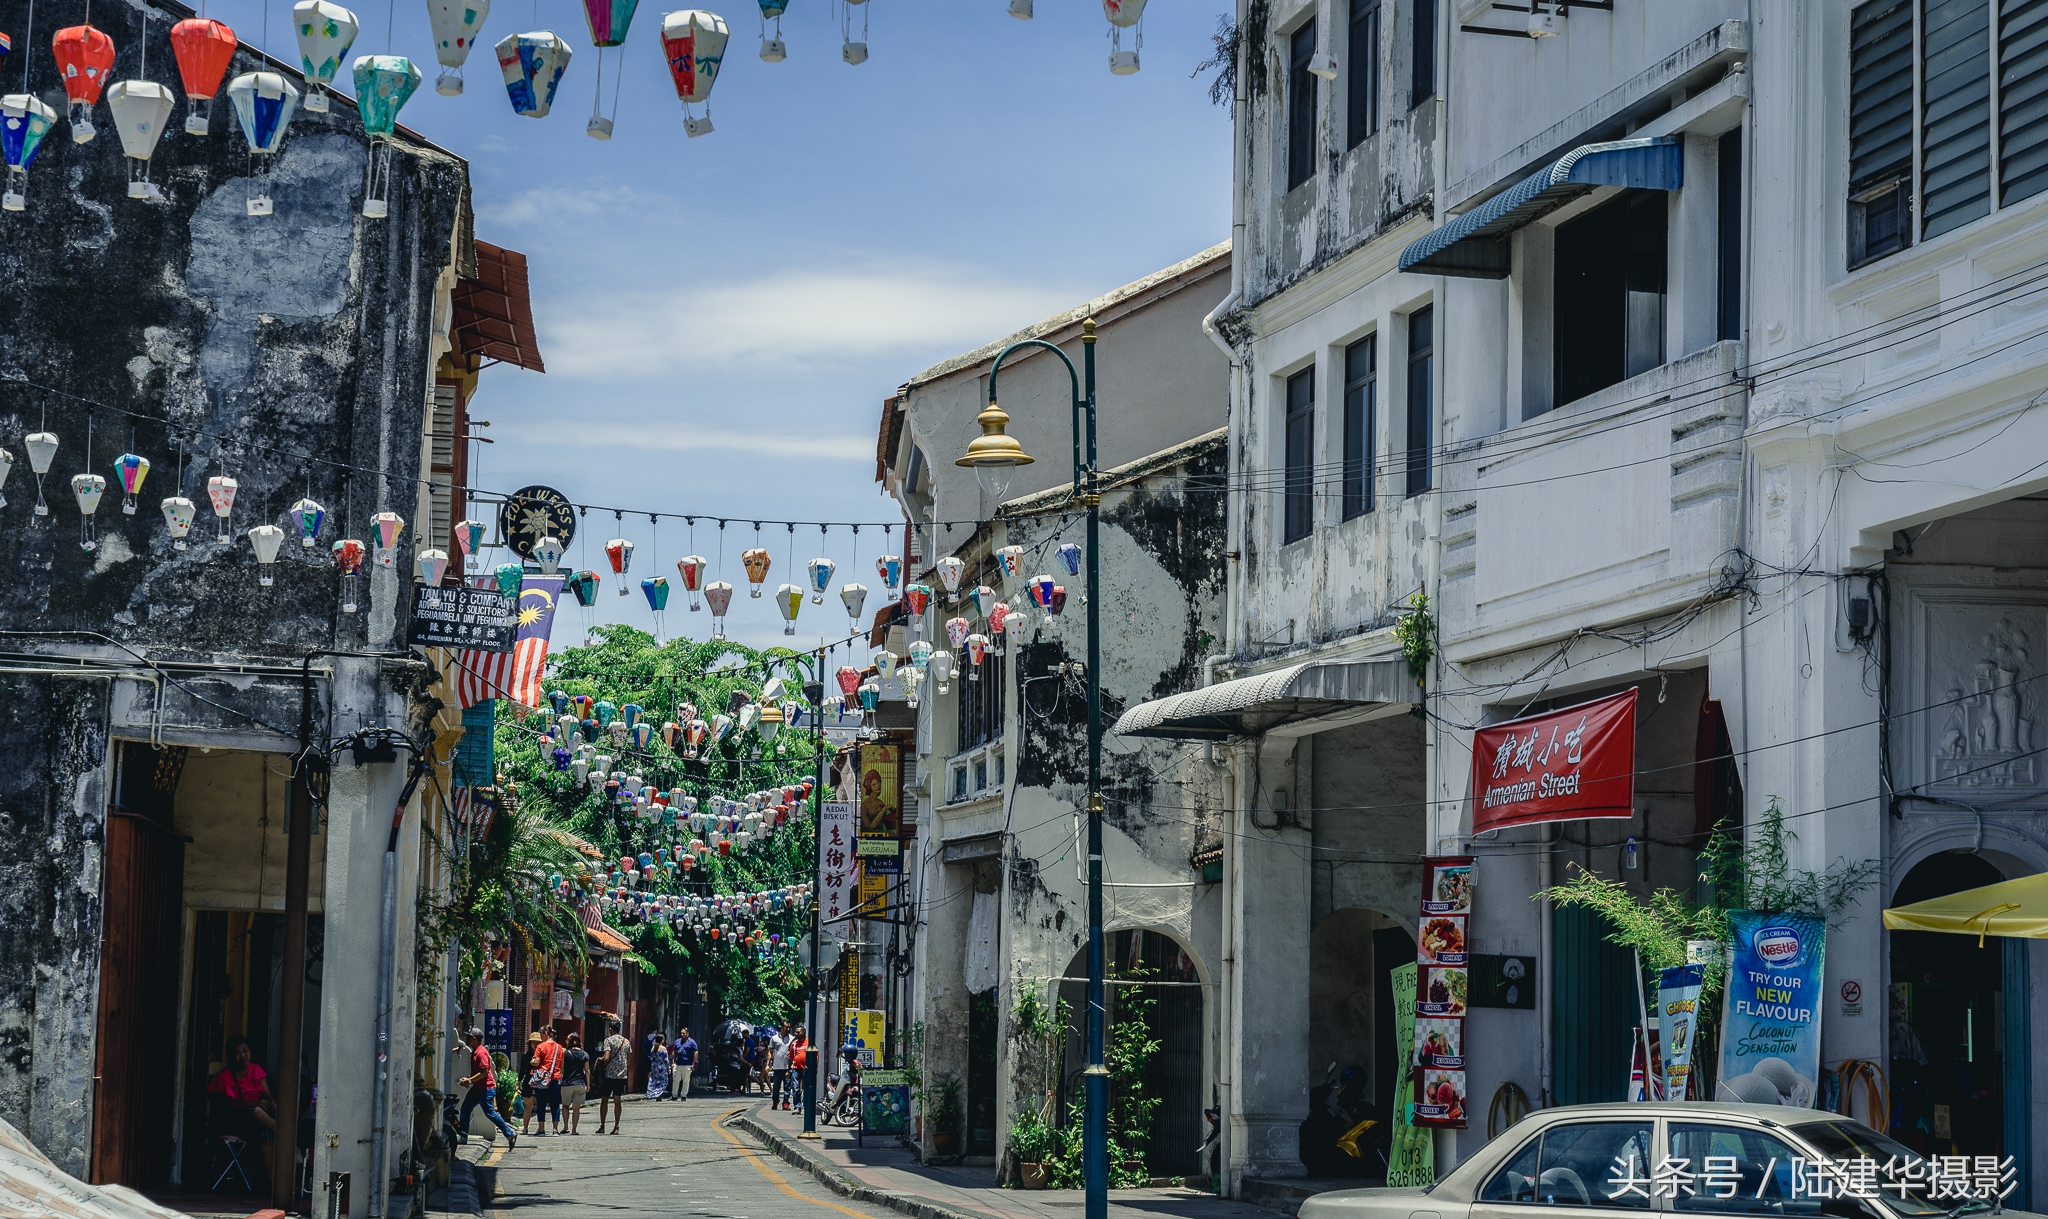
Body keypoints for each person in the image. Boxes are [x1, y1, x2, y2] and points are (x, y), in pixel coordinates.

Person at [210, 1035, 277, 1179]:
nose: (243, 1055)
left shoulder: (256, 1070)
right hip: (231, 1121)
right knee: (256, 1111)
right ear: (230, 1056)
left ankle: (273, 1185)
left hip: (254, 1123)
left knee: (267, 1137)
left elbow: (268, 1094)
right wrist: (254, 1103)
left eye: (245, 1051)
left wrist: (271, 1101)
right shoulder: (226, 1076)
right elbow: (227, 1106)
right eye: (237, 1053)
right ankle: (285, 1134)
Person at [457, 1028, 518, 1150]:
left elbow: (484, 1072)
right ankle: (463, 1136)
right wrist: (470, 1080)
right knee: (465, 1109)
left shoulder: (481, 1052)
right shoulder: (475, 1051)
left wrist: (469, 1081)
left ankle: (510, 1134)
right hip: (478, 1087)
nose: (467, 1039)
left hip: (485, 1089)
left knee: (490, 1113)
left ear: (474, 1039)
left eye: (469, 1037)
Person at [594, 1019, 631, 1134]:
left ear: (610, 1028)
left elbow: (607, 1058)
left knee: (604, 1100)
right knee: (617, 1101)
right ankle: (616, 1127)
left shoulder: (608, 1040)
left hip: (609, 1075)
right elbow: (628, 1060)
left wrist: (599, 1059)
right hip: (621, 1075)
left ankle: (602, 1126)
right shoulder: (626, 1041)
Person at [530, 1027, 565, 1136]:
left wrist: (532, 1061)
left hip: (542, 1080)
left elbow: (537, 1062)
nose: (541, 1038)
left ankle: (541, 1130)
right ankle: (555, 1130)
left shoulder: (540, 1046)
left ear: (546, 1033)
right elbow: (562, 1064)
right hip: (555, 1079)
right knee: (555, 1104)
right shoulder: (560, 1048)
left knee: (541, 1104)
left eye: (541, 1035)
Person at [559, 1032, 589, 1135]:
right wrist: (588, 1084)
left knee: (565, 1105)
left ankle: (565, 1126)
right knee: (576, 1108)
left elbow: (561, 1068)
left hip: (567, 1083)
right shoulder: (584, 1054)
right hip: (580, 1083)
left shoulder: (565, 1053)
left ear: (570, 1042)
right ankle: (574, 1130)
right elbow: (587, 1070)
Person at [769, 1022, 793, 1110]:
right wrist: (768, 1064)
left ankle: (786, 1103)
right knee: (776, 1087)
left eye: (789, 1027)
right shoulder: (774, 1038)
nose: (788, 1029)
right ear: (781, 1027)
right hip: (777, 1067)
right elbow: (770, 1052)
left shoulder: (792, 1039)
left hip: (787, 1067)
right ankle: (775, 1101)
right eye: (786, 1027)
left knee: (787, 1086)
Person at [671, 1028, 697, 1100]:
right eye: (681, 1033)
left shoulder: (692, 1042)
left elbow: (695, 1052)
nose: (682, 1035)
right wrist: (673, 1062)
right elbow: (674, 1052)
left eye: (683, 1033)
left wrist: (693, 1063)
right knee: (675, 1079)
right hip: (678, 1063)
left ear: (687, 1034)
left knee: (686, 1080)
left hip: (687, 1064)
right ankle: (674, 1095)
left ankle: (683, 1095)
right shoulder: (677, 1041)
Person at [789, 1027, 809, 1115]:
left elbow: (816, 1056)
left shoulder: (809, 1042)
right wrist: (788, 1069)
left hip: (806, 1069)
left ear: (803, 1032)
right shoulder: (794, 1044)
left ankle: (806, 1106)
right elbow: (790, 1058)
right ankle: (797, 1107)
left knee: (807, 1089)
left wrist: (815, 1068)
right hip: (795, 1069)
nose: (796, 1034)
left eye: (798, 1032)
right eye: (795, 1032)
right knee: (796, 1088)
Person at [646, 1037, 671, 1101]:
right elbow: (666, 1060)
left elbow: (651, 1057)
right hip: (661, 1066)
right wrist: (668, 1068)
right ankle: (658, 1094)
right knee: (663, 1081)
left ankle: (653, 1093)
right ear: (662, 1040)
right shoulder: (663, 1048)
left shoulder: (653, 1048)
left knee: (654, 1080)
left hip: (654, 1066)